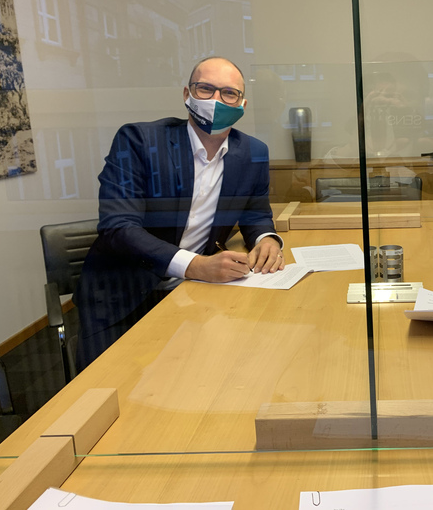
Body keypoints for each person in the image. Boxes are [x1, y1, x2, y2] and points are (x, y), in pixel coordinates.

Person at [74, 57, 284, 371]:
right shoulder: (139, 141)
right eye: (205, 89)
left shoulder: (253, 152)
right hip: (122, 294)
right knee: (110, 383)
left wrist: (267, 239)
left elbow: (255, 213)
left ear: (242, 104)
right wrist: (196, 265)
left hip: (194, 294)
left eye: (229, 93)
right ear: (187, 94)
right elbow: (118, 227)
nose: (216, 100)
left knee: (206, 374)